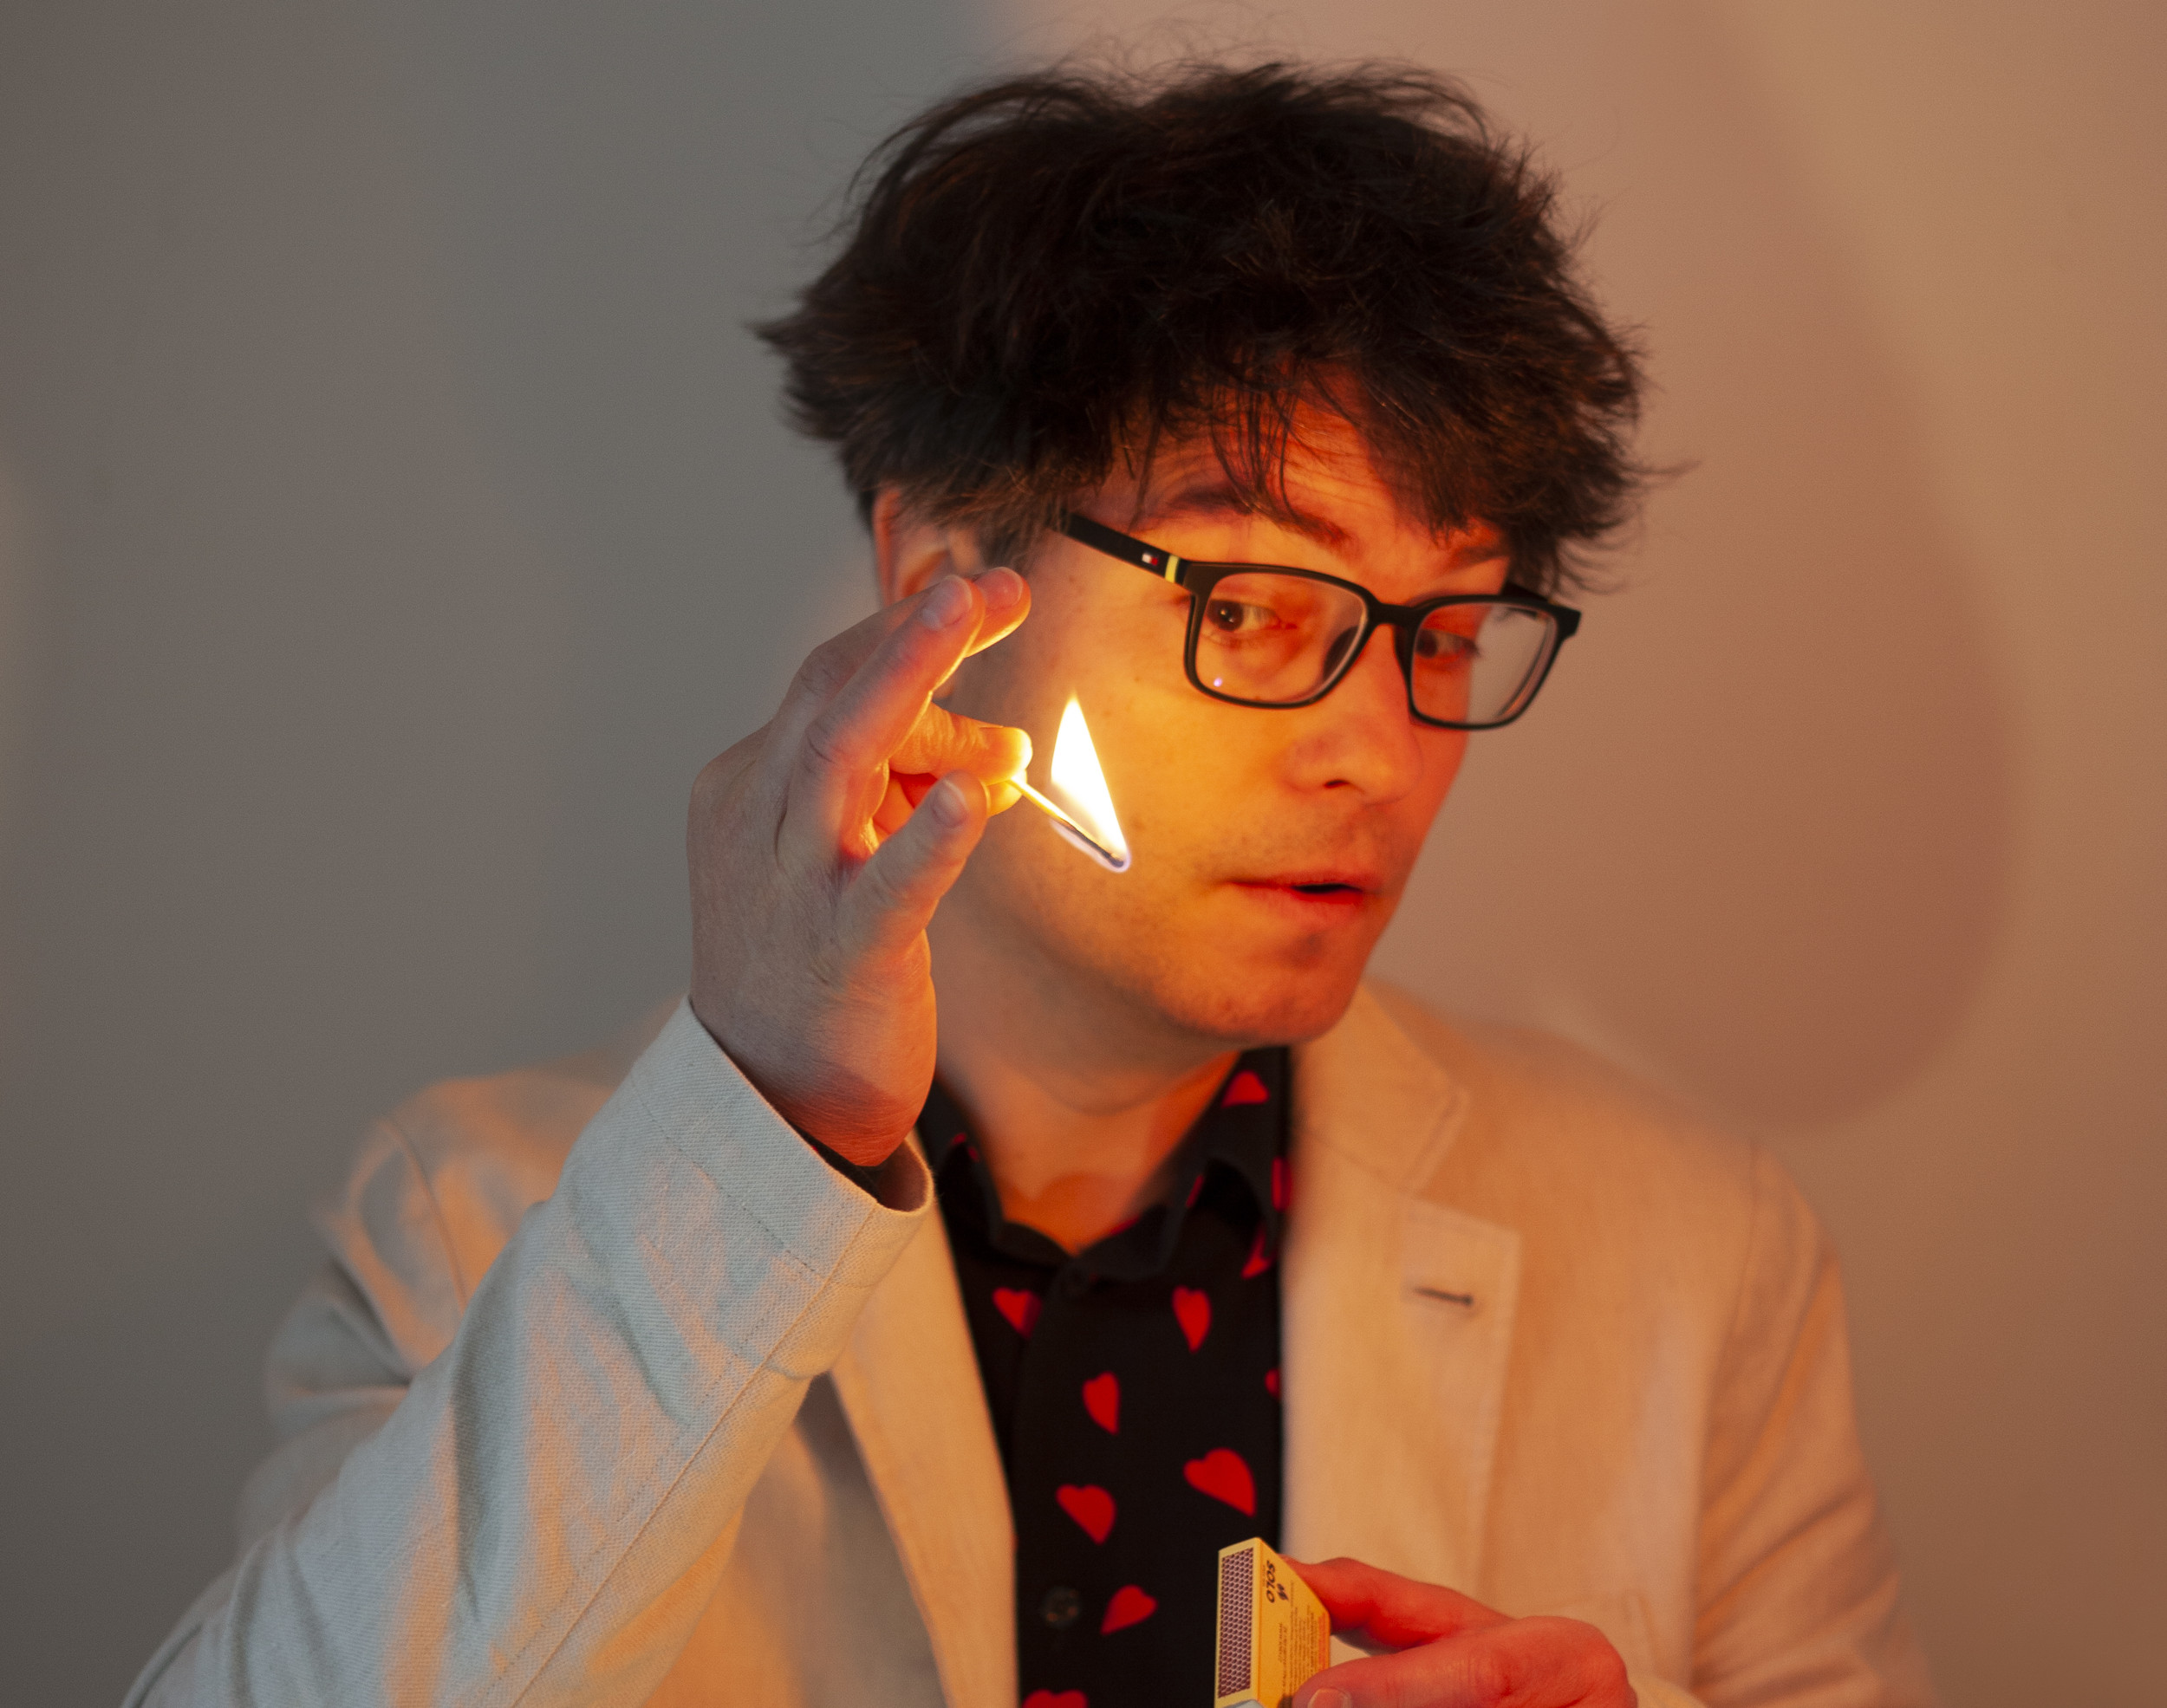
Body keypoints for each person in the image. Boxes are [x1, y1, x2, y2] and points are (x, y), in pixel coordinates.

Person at [126, 60, 1936, 1708]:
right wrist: (770, 1124)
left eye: (1444, 635)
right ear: (940, 568)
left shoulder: (1690, 1255)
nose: (1378, 755)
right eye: (1255, 609)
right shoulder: (467, 1224)